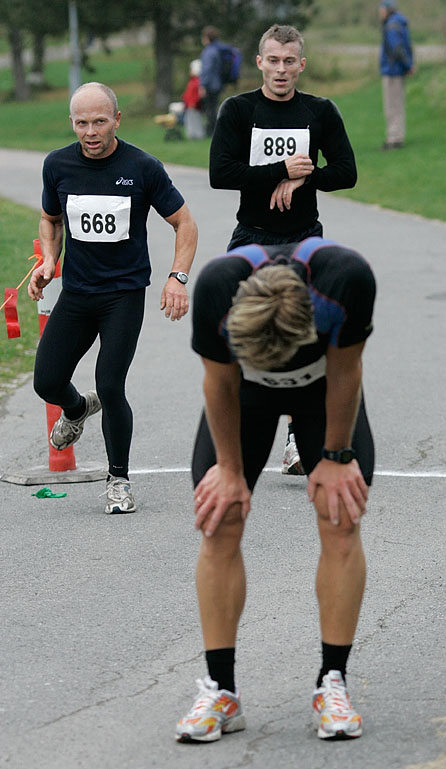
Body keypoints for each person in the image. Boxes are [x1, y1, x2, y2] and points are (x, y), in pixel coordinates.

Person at [175, 236, 376, 743]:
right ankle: (221, 692)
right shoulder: (217, 287)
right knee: (220, 518)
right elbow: (219, 383)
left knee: (339, 514)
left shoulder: (346, 280)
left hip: (323, 390)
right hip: (244, 396)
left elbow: (347, 370)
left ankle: (332, 682)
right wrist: (228, 468)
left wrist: (335, 457)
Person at [28, 81, 197, 514]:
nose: (91, 132)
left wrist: (177, 278)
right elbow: (50, 219)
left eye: (99, 121)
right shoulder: (58, 164)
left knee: (110, 383)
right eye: (82, 123)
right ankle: (76, 408)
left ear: (117, 120)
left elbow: (185, 223)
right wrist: (49, 260)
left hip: (122, 295)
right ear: (72, 123)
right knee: (46, 381)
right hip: (77, 292)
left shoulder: (142, 167)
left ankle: (118, 479)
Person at [209, 24, 358, 475]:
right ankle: (238, 431)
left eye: (289, 61)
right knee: (238, 333)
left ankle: (295, 438)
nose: (280, 69)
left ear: (301, 65)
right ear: (259, 62)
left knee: (304, 336)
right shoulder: (239, 109)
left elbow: (347, 172)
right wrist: (280, 169)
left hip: (304, 238)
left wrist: (303, 177)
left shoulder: (320, 111)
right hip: (251, 236)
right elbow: (220, 173)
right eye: (272, 60)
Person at [379, 0, 414, 150]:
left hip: (392, 71)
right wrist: (408, 65)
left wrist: (408, 65)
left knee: (392, 106)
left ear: (388, 10)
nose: (380, 13)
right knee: (397, 104)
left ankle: (394, 139)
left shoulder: (392, 25)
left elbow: (397, 48)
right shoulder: (398, 22)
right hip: (397, 70)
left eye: (381, 9)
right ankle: (397, 136)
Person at [200, 26, 225, 136]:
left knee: (210, 109)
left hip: (210, 85)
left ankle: (212, 131)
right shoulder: (217, 50)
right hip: (218, 83)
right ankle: (215, 130)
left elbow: (207, 69)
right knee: (214, 107)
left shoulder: (208, 51)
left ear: (207, 38)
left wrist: (203, 85)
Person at [182, 59, 205, 140]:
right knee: (189, 120)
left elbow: (197, 95)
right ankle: (192, 135)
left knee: (195, 120)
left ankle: (198, 135)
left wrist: (193, 102)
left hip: (194, 105)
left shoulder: (197, 82)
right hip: (189, 105)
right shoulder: (192, 81)